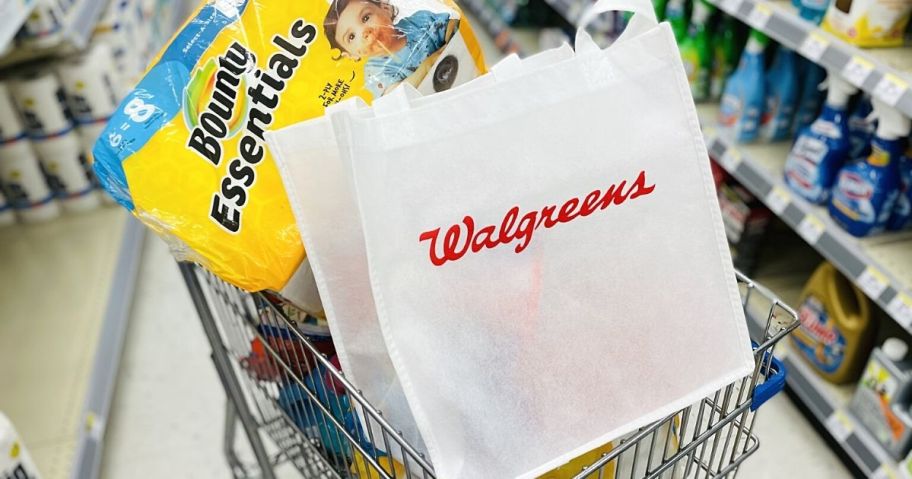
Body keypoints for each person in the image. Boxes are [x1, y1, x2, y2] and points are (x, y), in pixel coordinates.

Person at [324, 0, 459, 97]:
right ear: (350, 55)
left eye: (366, 18)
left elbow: (452, 26)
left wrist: (452, 36)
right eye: (352, 37)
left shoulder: (417, 22)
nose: (364, 32)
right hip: (435, 100)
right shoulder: (375, 72)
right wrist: (427, 66)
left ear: (385, 8)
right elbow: (397, 97)